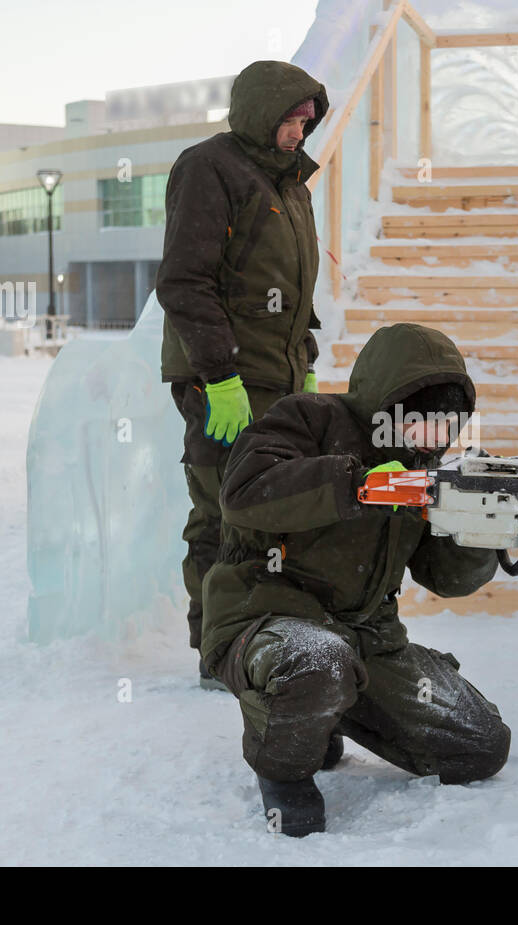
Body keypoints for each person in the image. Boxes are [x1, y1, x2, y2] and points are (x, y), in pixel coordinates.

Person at [203, 323, 512, 836]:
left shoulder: (427, 471)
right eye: (428, 422)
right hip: (265, 618)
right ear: (393, 406)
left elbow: (443, 576)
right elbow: (245, 492)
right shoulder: (306, 418)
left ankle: (326, 707)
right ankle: (285, 767)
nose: (437, 439)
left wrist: (480, 533)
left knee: (481, 745)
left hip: (369, 637)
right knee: (316, 661)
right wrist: (358, 485)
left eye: (450, 427)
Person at [155, 60, 330, 685]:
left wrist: (303, 362)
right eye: (291, 119)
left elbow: (293, 288)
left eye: (309, 121)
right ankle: (216, 650)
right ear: (262, 112)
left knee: (268, 513)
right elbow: (184, 280)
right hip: (223, 382)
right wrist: (219, 376)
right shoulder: (210, 167)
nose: (301, 132)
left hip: (277, 381)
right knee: (220, 514)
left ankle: (256, 634)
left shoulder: (291, 186)